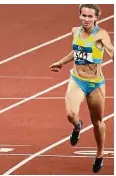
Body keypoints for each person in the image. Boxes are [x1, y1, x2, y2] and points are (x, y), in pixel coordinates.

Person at [49, 4, 114, 173]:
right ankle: (77, 126)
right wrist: (61, 62)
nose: (86, 19)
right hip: (77, 79)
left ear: (96, 18)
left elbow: (110, 48)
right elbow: (76, 52)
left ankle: (99, 155)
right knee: (70, 114)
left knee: (97, 123)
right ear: (79, 15)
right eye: (83, 15)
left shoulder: (101, 35)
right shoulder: (74, 31)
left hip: (95, 84)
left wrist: (113, 54)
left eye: (90, 16)